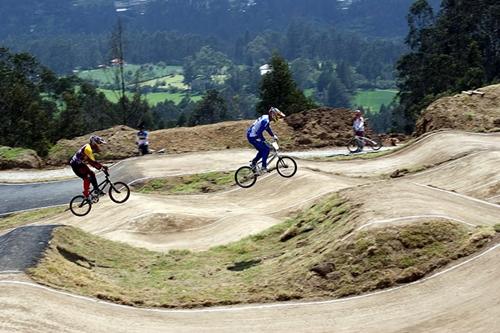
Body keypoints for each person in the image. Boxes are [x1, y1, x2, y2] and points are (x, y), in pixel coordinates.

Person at [246, 107, 286, 174]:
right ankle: (263, 167)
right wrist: (264, 140)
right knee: (266, 149)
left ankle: (254, 163)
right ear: (272, 114)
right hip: (252, 136)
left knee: (263, 150)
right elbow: (259, 133)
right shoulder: (265, 120)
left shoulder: (266, 118)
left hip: (253, 135)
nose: (278, 117)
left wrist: (273, 135)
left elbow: (267, 128)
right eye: (277, 115)